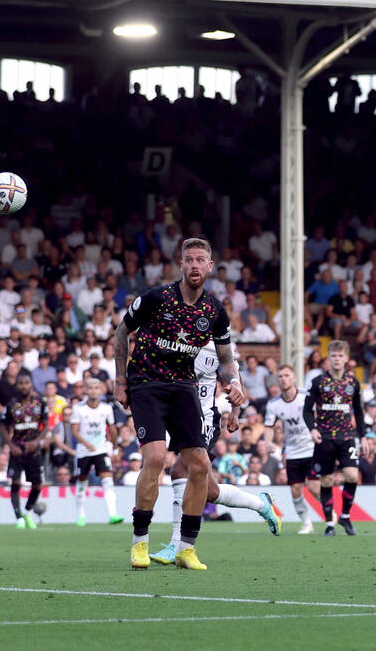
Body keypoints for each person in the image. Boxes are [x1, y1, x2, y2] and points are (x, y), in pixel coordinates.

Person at [114, 238, 247, 571]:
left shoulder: (214, 310)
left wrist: (236, 384)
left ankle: (186, 548)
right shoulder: (157, 297)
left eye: (201, 259)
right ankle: (139, 543)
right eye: (189, 260)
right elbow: (121, 333)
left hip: (183, 387)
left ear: (210, 266)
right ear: (181, 265)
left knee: (199, 465)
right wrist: (119, 381)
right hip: (146, 384)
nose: (194, 265)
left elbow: (226, 356)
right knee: (156, 458)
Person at [148, 341, 281, 566]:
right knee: (210, 491)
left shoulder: (217, 336)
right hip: (182, 417)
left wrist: (235, 413)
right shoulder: (178, 335)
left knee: (180, 469)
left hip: (205, 419)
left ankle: (176, 544)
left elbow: (235, 379)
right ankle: (261, 504)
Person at [303, 340, 366, 536]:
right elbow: (306, 410)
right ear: (328, 359)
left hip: (347, 436)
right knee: (327, 479)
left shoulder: (353, 383)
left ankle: (345, 515)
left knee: (352, 475)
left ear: (346, 359)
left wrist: (363, 436)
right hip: (325, 438)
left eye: (340, 356)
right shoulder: (318, 382)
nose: (337, 359)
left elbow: (359, 411)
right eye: (333, 356)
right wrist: (312, 428)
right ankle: (330, 523)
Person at [264, 364, 320, 534]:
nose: (283, 379)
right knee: (295, 490)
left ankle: (330, 515)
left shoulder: (305, 396)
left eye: (287, 375)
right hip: (293, 451)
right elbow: (269, 426)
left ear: (294, 377)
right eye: (280, 376)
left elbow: (318, 414)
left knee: (314, 487)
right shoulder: (273, 404)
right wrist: (268, 442)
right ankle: (307, 523)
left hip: (312, 448)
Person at [71, 379, 122, 526]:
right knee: (82, 483)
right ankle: (80, 514)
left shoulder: (106, 408)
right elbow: (74, 431)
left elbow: (112, 428)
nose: (93, 390)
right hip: (83, 452)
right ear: (85, 390)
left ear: (100, 390)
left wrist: (115, 447)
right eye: (90, 388)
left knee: (108, 480)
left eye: (96, 388)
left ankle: (113, 514)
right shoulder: (78, 408)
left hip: (101, 449)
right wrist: (87, 444)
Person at [1, 373, 48, 529]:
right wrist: (11, 445)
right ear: (17, 386)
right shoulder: (11, 405)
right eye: (21, 383)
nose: (23, 385)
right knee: (15, 483)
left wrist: (37, 441)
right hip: (17, 449)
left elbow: (46, 424)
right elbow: (3, 426)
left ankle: (27, 512)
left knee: (38, 485)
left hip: (34, 449)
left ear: (31, 385)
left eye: (26, 382)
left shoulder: (40, 402)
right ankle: (18, 517)